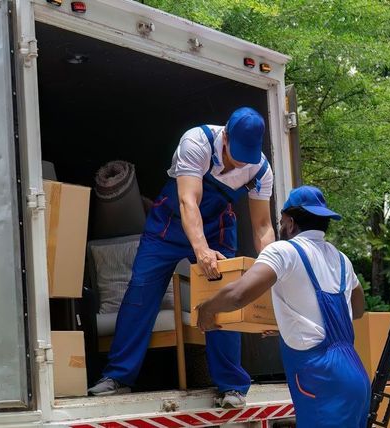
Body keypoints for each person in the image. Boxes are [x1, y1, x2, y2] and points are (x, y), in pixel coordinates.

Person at [88, 107, 276, 410]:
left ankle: (232, 386)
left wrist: (272, 273)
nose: (238, 162)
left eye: (246, 157)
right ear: (225, 135)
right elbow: (190, 201)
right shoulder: (196, 142)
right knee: (140, 293)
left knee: (226, 297)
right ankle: (118, 377)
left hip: (218, 230)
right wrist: (201, 251)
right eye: (234, 154)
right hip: (170, 224)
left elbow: (263, 227)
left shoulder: (261, 169)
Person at [194, 186, 370, 427]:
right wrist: (293, 326)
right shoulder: (340, 259)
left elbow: (238, 294)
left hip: (321, 377)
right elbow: (357, 309)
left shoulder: (284, 251)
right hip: (355, 374)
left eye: (281, 220)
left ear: (290, 221)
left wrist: (207, 308)